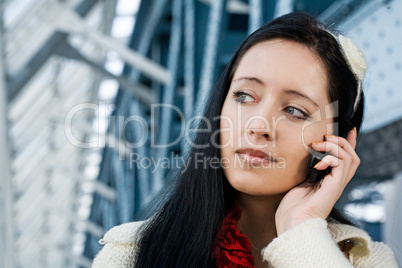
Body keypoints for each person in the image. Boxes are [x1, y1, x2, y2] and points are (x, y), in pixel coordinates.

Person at [92, 12, 398, 268]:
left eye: (295, 111)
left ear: (338, 141)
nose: (258, 125)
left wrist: (303, 229)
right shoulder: (131, 254)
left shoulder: (363, 261)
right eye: (244, 96)